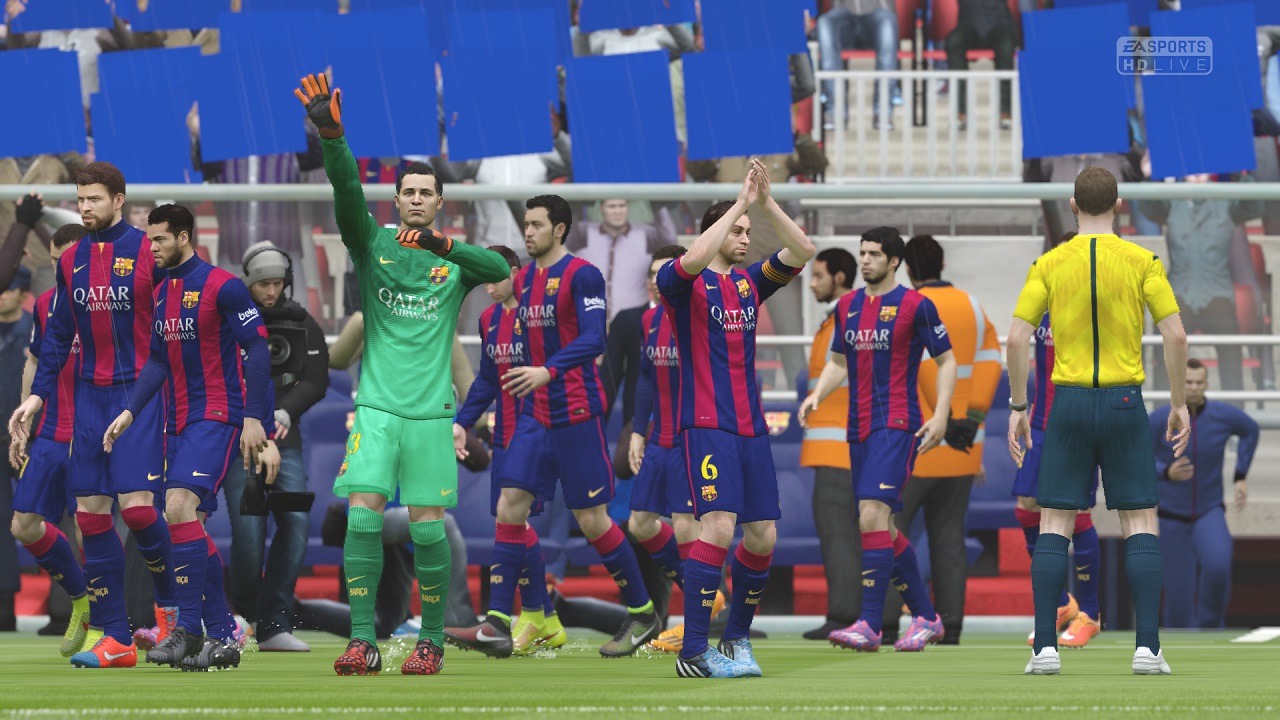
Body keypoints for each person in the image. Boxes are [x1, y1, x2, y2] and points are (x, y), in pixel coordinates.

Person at [294, 72, 511, 676]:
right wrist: (332, 137)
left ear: (440, 203)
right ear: (397, 200)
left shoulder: (454, 261)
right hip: (377, 408)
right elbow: (345, 191)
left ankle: (431, 642)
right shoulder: (372, 244)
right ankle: (363, 640)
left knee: (428, 530)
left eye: (426, 193)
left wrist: (443, 248)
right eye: (408, 192)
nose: (416, 199)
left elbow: (501, 270)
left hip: (431, 413)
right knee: (363, 515)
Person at [447, 194, 660, 660]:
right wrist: (462, 422)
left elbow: (594, 338)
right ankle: (497, 624)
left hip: (576, 413)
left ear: (560, 229)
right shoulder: (523, 281)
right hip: (533, 416)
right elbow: (492, 373)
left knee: (592, 520)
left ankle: (643, 612)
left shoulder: (583, 274)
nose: (528, 232)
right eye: (525, 224)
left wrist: (548, 370)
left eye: (537, 225)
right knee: (509, 507)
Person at [1007, 167, 1189, 676]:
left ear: (1072, 205)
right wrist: (1178, 402)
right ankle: (1147, 649)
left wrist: (1019, 407)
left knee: (1054, 522)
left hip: (1066, 405)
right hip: (1124, 402)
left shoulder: (1048, 263)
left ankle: (1045, 649)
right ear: (1119, 204)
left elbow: (1017, 338)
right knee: (1140, 521)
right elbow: (1176, 336)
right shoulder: (1142, 261)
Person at [8, 162, 176, 670]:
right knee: (90, 516)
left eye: (95, 199)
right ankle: (115, 636)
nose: (85, 207)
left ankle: (175, 609)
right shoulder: (73, 259)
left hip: (138, 395)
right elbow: (58, 336)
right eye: (80, 199)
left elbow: (174, 327)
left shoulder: (148, 251)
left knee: (139, 511)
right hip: (88, 399)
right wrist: (37, 397)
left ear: (119, 200)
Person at [658, 160, 815, 679]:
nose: (746, 238)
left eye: (749, 232)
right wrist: (738, 204)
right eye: (738, 231)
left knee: (762, 536)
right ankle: (692, 652)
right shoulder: (680, 282)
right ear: (716, 231)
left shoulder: (750, 284)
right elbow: (693, 258)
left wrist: (765, 203)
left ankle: (736, 641)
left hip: (752, 428)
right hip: (706, 425)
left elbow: (803, 250)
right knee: (719, 527)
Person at [101, 203, 272, 668]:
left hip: (216, 414)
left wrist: (255, 418)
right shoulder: (160, 291)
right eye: (149, 239)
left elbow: (257, 350)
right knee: (185, 521)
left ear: (183, 237)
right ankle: (223, 634)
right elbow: (157, 361)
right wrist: (130, 411)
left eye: (159, 239)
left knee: (177, 507)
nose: (151, 247)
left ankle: (188, 629)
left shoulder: (224, 286)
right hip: (174, 422)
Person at [800, 227, 956, 654]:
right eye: (862, 253)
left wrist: (941, 414)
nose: (865, 260)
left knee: (870, 515)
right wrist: (817, 395)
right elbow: (838, 362)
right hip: (859, 427)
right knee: (880, 525)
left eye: (873, 254)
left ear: (894, 262)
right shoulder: (847, 306)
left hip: (898, 423)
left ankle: (869, 624)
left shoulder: (916, 305)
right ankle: (925, 616)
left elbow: (947, 361)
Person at [878, 234, 1001, 645]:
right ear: (942, 264)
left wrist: (941, 418)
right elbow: (991, 362)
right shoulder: (973, 306)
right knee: (949, 537)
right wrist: (972, 419)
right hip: (964, 447)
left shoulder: (905, 306)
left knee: (889, 530)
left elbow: (923, 365)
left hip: (915, 441)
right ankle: (951, 625)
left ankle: (886, 621)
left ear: (904, 267)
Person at [451, 245, 567, 655]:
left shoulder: (541, 316)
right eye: (483, 280)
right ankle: (543, 619)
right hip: (505, 433)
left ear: (516, 272)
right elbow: (487, 379)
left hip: (537, 431)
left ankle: (500, 619)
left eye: (495, 277)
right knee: (513, 522)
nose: (488, 287)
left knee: (509, 516)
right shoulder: (488, 319)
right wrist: (462, 423)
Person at [220, 240, 329, 652]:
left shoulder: (302, 321)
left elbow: (317, 380)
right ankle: (248, 616)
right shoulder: (229, 321)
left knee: (295, 524)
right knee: (248, 532)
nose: (271, 291)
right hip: (242, 441)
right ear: (248, 282)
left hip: (288, 441)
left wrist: (284, 412)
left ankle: (274, 621)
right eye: (262, 284)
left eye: (277, 283)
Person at [1011, 232, 1104, 650]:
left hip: (1081, 420)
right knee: (1027, 507)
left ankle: (1091, 614)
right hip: (1042, 420)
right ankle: (1062, 602)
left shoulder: (1100, 306)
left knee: (1077, 511)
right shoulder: (1044, 300)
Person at [628, 244, 721, 655]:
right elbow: (646, 376)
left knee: (686, 525)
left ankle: (691, 624)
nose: (656, 280)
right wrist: (637, 431)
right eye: (651, 273)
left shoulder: (701, 316)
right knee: (640, 524)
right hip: (658, 437)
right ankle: (706, 591)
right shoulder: (649, 319)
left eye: (663, 272)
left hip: (692, 436)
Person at [7, 225, 89, 655]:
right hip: (52, 431)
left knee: (89, 529)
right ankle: (81, 600)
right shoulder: (45, 303)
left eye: (69, 261)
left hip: (95, 432)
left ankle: (108, 623)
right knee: (23, 525)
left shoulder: (110, 304)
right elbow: (35, 363)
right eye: (56, 262)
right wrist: (25, 417)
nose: (62, 270)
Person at [1150, 359, 1258, 629]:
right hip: (1171, 516)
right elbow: (1136, 458)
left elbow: (1251, 430)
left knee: (1219, 567)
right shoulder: (1158, 419)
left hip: (1209, 511)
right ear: (1178, 383)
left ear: (1207, 384)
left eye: (1199, 383)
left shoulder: (1223, 416)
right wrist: (1165, 472)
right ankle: (1177, 643)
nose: (1194, 388)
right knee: (1177, 595)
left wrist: (1240, 475)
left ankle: (1211, 630)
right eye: (1188, 382)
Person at [798, 248, 860, 641]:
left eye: (818, 275)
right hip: (840, 447)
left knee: (839, 536)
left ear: (839, 277)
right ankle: (859, 615)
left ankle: (843, 615)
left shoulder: (847, 318)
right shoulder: (841, 318)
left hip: (838, 448)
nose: (812, 283)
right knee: (850, 535)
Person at [565, 199, 674, 323]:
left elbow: (669, 241)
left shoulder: (644, 233)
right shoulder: (586, 232)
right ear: (601, 208)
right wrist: (573, 206)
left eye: (622, 206)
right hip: (592, 320)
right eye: (612, 206)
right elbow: (570, 240)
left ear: (628, 207)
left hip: (633, 323)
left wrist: (659, 208)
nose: (617, 211)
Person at [0, 265, 34, 631]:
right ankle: (4, 609)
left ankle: (66, 608)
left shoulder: (35, 331)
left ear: (24, 294)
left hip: (31, 439)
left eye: (8, 288)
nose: (2, 295)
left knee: (46, 516)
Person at [946, 0, 1018, 130]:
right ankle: (960, 113)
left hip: (999, 24)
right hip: (969, 24)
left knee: (1006, 45)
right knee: (954, 42)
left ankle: (1005, 112)